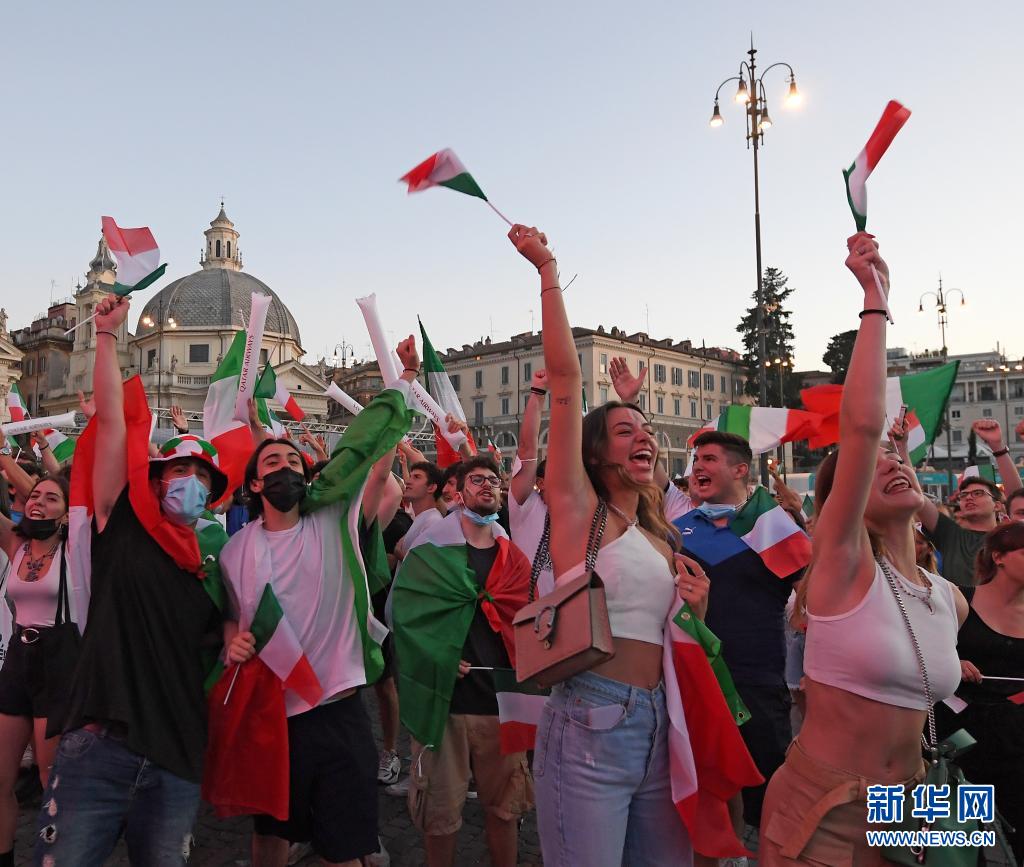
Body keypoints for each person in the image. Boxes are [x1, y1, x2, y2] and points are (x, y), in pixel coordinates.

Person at [510, 223, 723, 866]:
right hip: (592, 718)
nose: (644, 437)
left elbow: (665, 628)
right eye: (625, 430)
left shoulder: (659, 532)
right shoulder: (578, 511)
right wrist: (547, 272)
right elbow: (567, 379)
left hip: (662, 716)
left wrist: (697, 608)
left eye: (646, 429)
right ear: (595, 452)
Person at [758, 233, 968, 865]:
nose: (892, 463)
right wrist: (876, 301)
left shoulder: (948, 598)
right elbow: (861, 425)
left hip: (923, 806)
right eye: (871, 466)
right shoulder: (844, 570)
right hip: (832, 810)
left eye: (896, 458)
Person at [36, 293, 231, 865]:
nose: (190, 482)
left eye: (202, 476)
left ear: (213, 496)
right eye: (180, 470)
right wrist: (106, 338)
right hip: (100, 744)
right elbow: (112, 424)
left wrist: (234, 634)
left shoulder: (217, 563)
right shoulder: (120, 525)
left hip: (177, 754)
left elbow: (226, 636)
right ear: (157, 478)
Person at [221, 341, 416, 867]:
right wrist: (232, 642)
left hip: (338, 712)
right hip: (273, 714)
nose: (286, 467)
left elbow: (368, 456)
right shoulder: (235, 551)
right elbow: (232, 619)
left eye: (294, 460)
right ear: (255, 483)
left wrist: (404, 381)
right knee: (271, 837)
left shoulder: (333, 521)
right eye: (273, 462)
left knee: (344, 848)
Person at [391, 455, 534, 867]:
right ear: (457, 492)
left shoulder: (514, 559)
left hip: (500, 704)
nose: (487, 485)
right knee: (440, 817)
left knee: (505, 810)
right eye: (476, 479)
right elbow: (407, 619)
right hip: (445, 705)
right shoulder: (429, 553)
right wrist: (437, 653)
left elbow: (527, 622)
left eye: (494, 480)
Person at [672, 429, 806, 834]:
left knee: (767, 801)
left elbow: (813, 590)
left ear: (740, 470)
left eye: (709, 459)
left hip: (756, 684)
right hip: (693, 679)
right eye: (696, 460)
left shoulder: (771, 526)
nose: (698, 467)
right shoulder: (677, 530)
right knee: (703, 794)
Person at [0, 467, 77, 867]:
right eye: (34, 496)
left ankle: (57, 858)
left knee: (51, 781)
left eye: (51, 498)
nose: (38, 502)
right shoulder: (17, 543)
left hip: (58, 662)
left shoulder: (76, 549)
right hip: (18, 659)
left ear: (67, 512)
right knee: (0, 777)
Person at [936, 521, 1024, 863]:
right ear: (999, 557)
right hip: (959, 734)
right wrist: (953, 661)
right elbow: (923, 652)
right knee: (959, 836)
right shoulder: (959, 598)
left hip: (1014, 736)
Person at [913, 418, 1021, 586]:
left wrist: (998, 447)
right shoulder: (950, 535)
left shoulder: (1008, 536)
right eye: (963, 495)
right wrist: (902, 449)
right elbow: (916, 496)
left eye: (978, 493)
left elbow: (1018, 497)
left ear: (998, 505)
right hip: (960, 604)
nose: (969, 497)